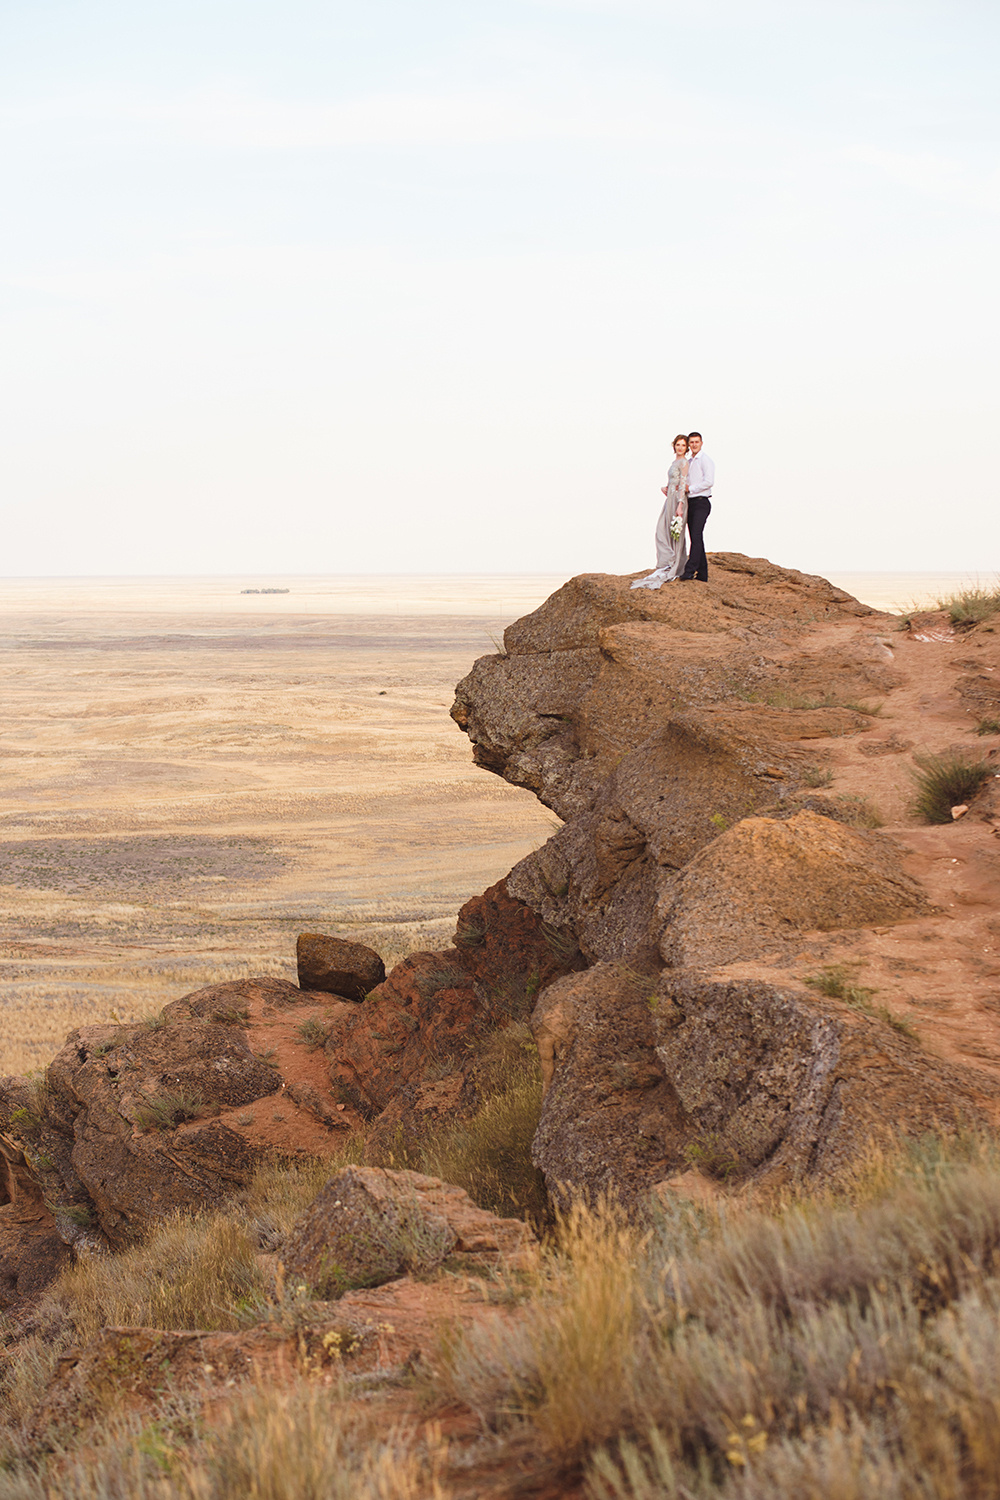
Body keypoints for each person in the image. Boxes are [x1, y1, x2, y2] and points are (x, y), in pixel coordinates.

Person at [630, 434, 689, 590]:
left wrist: (680, 504)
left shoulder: (684, 462)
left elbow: (682, 484)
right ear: (674, 446)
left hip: (677, 500)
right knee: (662, 530)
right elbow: (673, 481)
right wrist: (666, 488)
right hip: (670, 497)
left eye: (683, 445)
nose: (680, 447)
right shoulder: (674, 462)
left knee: (675, 531)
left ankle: (674, 564)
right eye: (678, 445)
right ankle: (667, 562)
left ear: (686, 448)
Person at [679, 431, 714, 582]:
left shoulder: (705, 460)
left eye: (696, 442)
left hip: (701, 502)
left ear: (701, 443)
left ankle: (689, 570)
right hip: (690, 503)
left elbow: (709, 481)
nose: (694, 445)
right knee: (695, 537)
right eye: (691, 442)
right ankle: (703, 574)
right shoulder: (689, 462)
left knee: (697, 535)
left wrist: (690, 489)